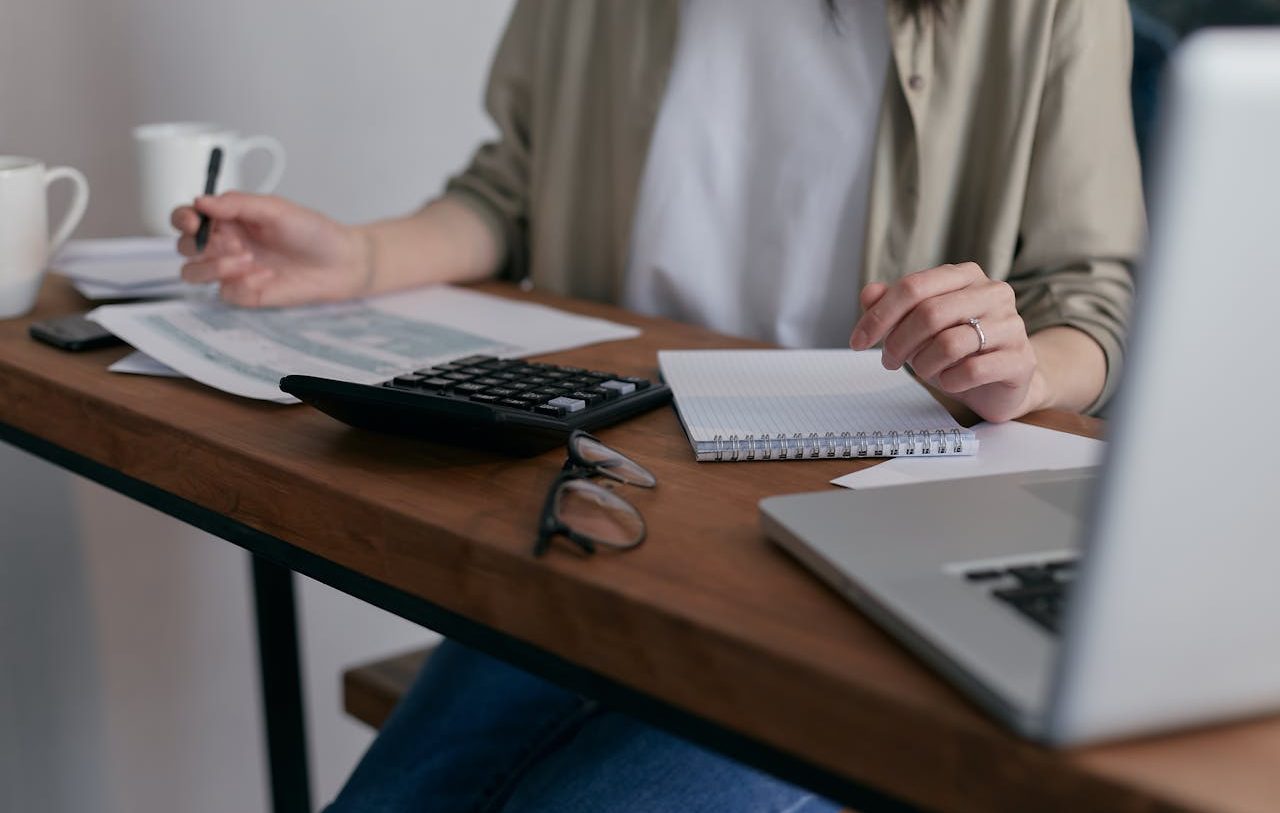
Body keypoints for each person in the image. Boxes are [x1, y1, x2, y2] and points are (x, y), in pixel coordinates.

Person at [172, 1, 1144, 809]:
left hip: (863, 529)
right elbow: (511, 193)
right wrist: (360, 258)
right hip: (606, 498)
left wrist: (1019, 371)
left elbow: (1088, 297)